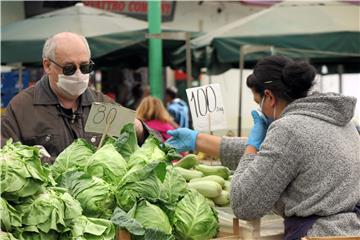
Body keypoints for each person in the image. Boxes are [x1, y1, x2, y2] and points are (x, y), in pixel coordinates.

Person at [166, 55, 360, 238]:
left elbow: (244, 203)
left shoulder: (290, 128)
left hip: (316, 234)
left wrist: (252, 145)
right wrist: (198, 140)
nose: (260, 109)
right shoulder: (339, 121)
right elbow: (277, 156)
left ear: (270, 96)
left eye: (259, 102)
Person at [1, 32, 146, 162]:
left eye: (85, 67)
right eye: (69, 68)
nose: (79, 74)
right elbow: (6, 159)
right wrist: (48, 164)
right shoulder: (22, 108)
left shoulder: (102, 105)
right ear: (47, 66)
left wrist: (140, 130)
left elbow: (149, 146)